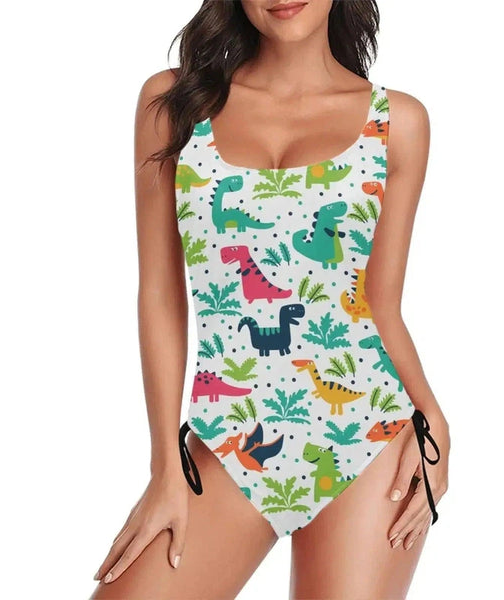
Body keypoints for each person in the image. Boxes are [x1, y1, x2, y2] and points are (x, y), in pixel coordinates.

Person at [91, 1, 450, 598]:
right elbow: (159, 294)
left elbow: (380, 304)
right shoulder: (176, 104)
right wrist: (165, 470)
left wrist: (433, 419)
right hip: (230, 437)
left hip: (370, 436)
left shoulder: (397, 122)